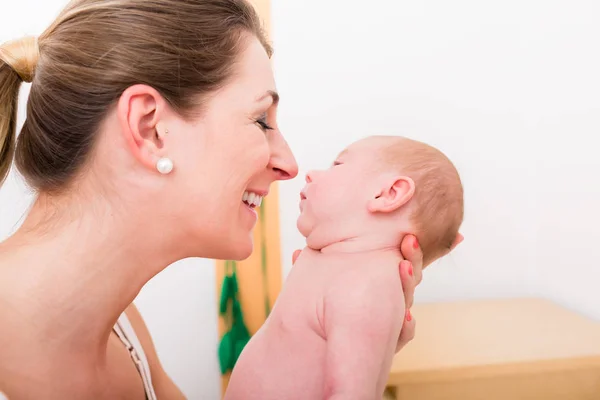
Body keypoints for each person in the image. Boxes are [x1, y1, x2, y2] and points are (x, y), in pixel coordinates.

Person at [0, 0, 462, 398]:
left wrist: (338, 358)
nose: (289, 164)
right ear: (150, 128)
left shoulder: (120, 330)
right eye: (262, 120)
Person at [225, 135, 464, 400]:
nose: (311, 175)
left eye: (337, 165)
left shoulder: (367, 285)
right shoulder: (336, 263)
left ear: (389, 194)